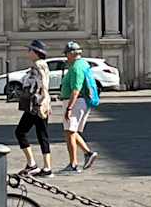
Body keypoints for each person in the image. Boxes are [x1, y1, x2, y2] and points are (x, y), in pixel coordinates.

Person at [59, 39, 99, 173]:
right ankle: (88, 153)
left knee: (70, 133)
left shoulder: (76, 68)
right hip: (80, 102)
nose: (66, 57)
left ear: (71, 54)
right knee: (71, 131)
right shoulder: (83, 64)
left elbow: (76, 89)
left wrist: (69, 108)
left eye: (66, 54)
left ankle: (73, 164)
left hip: (76, 102)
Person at [15, 40, 54, 176]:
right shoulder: (44, 64)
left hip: (36, 105)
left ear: (36, 52)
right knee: (42, 134)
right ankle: (47, 167)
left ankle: (32, 164)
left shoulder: (38, 65)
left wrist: (42, 99)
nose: (28, 52)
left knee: (20, 132)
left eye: (30, 50)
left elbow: (41, 84)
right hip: (42, 104)